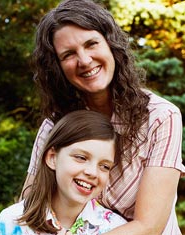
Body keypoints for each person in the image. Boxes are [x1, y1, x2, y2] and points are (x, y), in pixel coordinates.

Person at [21, 0, 185, 234]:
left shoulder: (160, 117)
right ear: (56, 67)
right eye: (68, 54)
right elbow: (30, 205)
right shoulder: (54, 126)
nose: (85, 60)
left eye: (91, 44)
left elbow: (150, 226)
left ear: (111, 46)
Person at [0, 110, 127, 235]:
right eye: (81, 158)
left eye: (104, 166)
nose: (92, 172)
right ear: (52, 158)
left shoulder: (116, 228)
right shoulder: (12, 220)